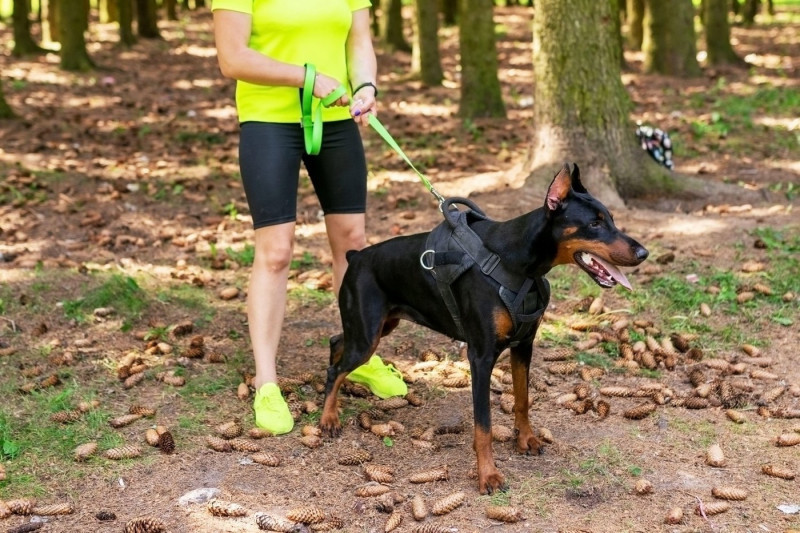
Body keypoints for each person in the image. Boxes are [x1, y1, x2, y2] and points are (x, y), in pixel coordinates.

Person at [212, 0, 407, 435]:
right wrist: (308, 78)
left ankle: (360, 357)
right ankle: (266, 381)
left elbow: (359, 40)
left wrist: (366, 87)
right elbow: (232, 57)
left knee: (353, 243)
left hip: (336, 120)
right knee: (276, 252)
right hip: (269, 122)